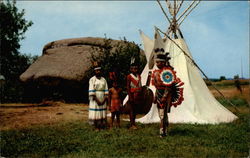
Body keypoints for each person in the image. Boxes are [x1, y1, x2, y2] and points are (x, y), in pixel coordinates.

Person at [152, 52, 184, 137]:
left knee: (162, 114)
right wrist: (155, 96)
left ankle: (162, 132)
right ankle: (165, 129)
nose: (159, 64)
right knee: (161, 114)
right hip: (159, 94)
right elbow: (156, 87)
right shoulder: (155, 73)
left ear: (164, 62)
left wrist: (164, 96)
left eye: (161, 62)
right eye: (157, 62)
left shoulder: (167, 72)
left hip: (165, 96)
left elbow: (168, 86)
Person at [88, 62, 109, 131]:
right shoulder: (92, 79)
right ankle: (96, 127)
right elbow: (91, 90)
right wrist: (97, 100)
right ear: (94, 71)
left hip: (102, 97)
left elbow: (106, 89)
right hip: (95, 98)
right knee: (96, 112)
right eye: (97, 70)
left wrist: (104, 99)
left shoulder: (104, 79)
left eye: (99, 70)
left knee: (102, 112)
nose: (98, 71)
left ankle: (102, 126)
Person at [126, 60, 142, 129]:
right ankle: (131, 124)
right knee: (132, 110)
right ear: (130, 69)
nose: (135, 70)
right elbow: (128, 87)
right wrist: (130, 96)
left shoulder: (139, 76)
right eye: (133, 68)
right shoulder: (129, 76)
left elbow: (140, 85)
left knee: (135, 110)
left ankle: (134, 123)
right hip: (132, 94)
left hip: (138, 94)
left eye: (136, 68)